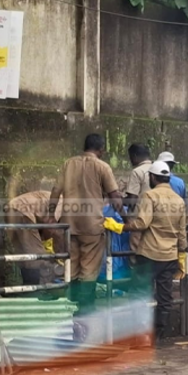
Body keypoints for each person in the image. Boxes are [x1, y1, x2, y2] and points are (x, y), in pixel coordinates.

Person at [104, 161, 188, 341]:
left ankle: (141, 333)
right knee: (165, 297)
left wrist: (119, 227)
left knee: (138, 294)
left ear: (153, 177)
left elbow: (142, 223)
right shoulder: (178, 200)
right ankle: (159, 334)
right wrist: (181, 255)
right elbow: (182, 232)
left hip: (149, 254)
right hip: (169, 256)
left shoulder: (150, 196)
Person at [47, 134, 123, 316]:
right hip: (92, 226)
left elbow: (56, 190)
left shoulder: (68, 164)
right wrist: (125, 216)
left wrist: (51, 214)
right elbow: (114, 197)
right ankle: (85, 307)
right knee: (89, 267)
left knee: (72, 264)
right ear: (101, 149)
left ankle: (71, 306)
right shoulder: (102, 167)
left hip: (69, 224)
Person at [6, 191, 64, 285]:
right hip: (24, 211)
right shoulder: (62, 204)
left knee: (24, 253)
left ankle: (27, 286)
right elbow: (50, 225)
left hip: (10, 208)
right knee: (36, 254)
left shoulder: (57, 199)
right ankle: (35, 287)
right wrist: (60, 251)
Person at [123, 143, 153, 211]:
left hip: (141, 212)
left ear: (135, 156)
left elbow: (132, 201)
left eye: (130, 157)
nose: (130, 160)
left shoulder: (137, 171)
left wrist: (117, 200)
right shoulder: (157, 169)